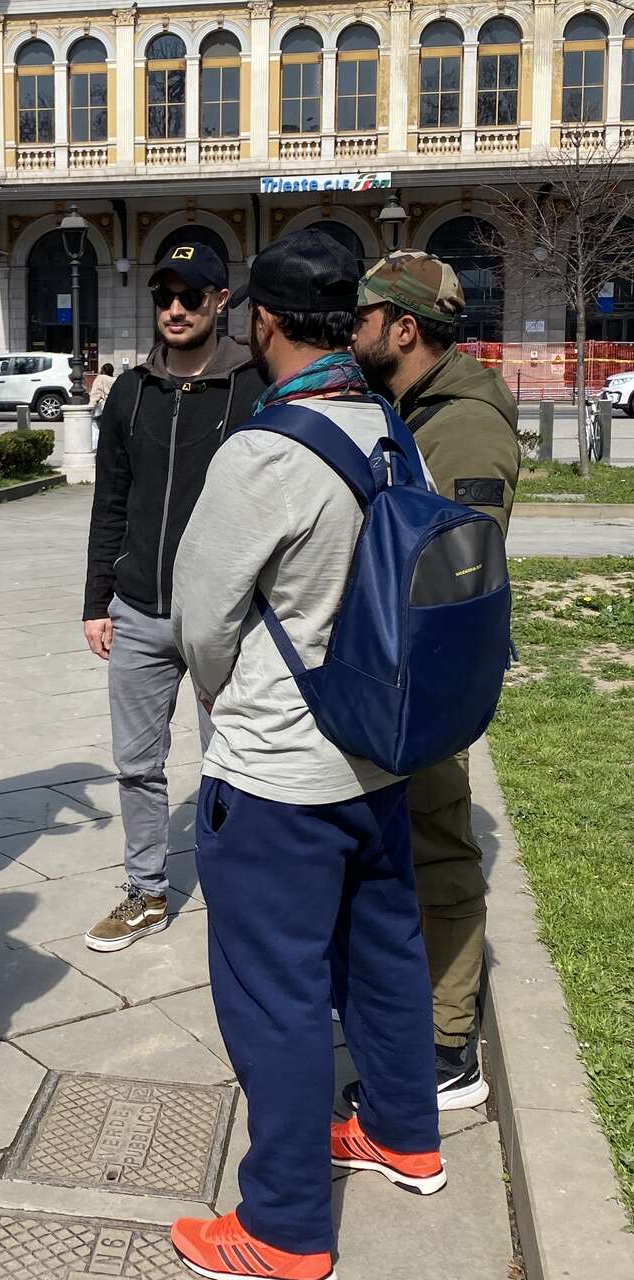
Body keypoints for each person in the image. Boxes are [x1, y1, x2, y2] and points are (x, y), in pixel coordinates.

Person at [168, 230, 443, 1280]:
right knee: (382, 953)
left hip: (277, 772)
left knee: (271, 992)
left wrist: (222, 699)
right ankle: (401, 1132)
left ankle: (281, 1225)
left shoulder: (262, 451)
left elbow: (201, 619)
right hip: (377, 752)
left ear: (264, 321)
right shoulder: (386, 429)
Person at [352, 250, 521, 1109]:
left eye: (362, 320)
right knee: (400, 848)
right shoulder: (409, 407)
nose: (351, 334)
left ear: (403, 328)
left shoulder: (462, 427)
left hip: (424, 682)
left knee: (439, 847)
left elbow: (453, 569)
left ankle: (448, 1044)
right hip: (390, 676)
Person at [81, 243, 265, 953]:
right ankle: (146, 891)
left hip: (224, 618)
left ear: (222, 301)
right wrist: (97, 599)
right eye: (165, 296)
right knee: (136, 763)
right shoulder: (131, 392)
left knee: (232, 761)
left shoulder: (252, 386)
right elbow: (110, 503)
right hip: (137, 611)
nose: (176, 310)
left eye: (191, 296)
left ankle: (238, 894)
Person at [88, 361, 115, 450]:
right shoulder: (115, 379)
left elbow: (96, 393)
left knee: (96, 425)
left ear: (102, 370)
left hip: (103, 407)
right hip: (114, 407)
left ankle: (98, 446)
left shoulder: (101, 378)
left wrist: (91, 406)